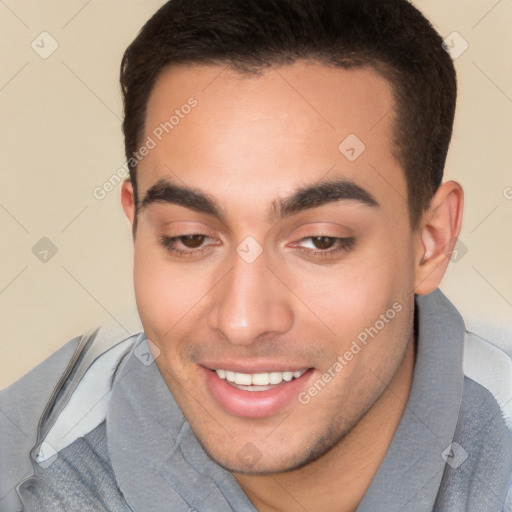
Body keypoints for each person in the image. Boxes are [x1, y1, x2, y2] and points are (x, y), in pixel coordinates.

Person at [1, 0, 511, 510]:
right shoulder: (27, 474)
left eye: (321, 241)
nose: (243, 321)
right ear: (136, 227)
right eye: (190, 239)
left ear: (431, 240)